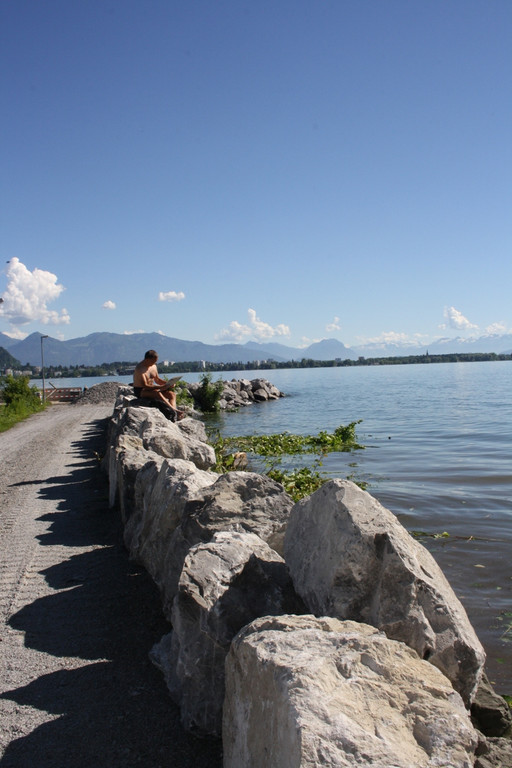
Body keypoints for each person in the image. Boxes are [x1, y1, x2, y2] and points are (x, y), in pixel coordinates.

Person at [133, 350, 185, 420]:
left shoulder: (153, 366)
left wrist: (168, 384)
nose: (154, 363)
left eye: (155, 361)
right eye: (153, 361)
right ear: (147, 359)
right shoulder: (140, 369)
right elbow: (144, 385)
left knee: (172, 394)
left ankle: (174, 412)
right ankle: (175, 411)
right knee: (157, 393)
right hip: (141, 391)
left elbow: (157, 380)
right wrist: (161, 387)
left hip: (152, 389)